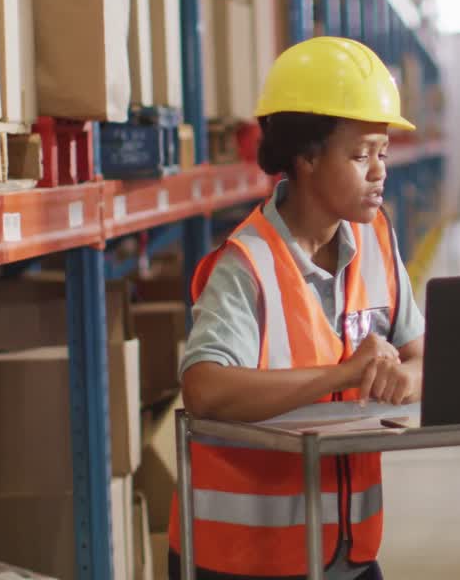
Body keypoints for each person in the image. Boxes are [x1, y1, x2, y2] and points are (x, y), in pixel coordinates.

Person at [167, 37, 426, 580]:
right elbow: (205, 389)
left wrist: (403, 377)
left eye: (382, 152)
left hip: (346, 555)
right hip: (243, 562)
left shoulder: (376, 240)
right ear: (306, 157)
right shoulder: (247, 264)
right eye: (360, 155)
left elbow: (420, 354)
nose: (379, 171)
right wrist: (344, 372)